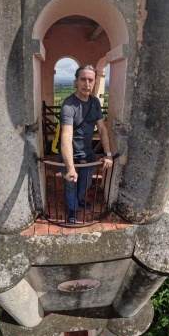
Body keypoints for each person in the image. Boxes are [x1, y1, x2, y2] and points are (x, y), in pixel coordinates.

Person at [60, 65, 113, 224]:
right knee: (71, 185)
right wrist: (70, 167)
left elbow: (102, 129)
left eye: (90, 80)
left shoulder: (95, 102)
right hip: (72, 156)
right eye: (83, 79)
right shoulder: (69, 105)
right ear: (76, 81)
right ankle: (72, 210)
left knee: (85, 183)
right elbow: (66, 136)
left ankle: (79, 200)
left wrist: (108, 154)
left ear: (95, 82)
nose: (87, 84)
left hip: (88, 154)